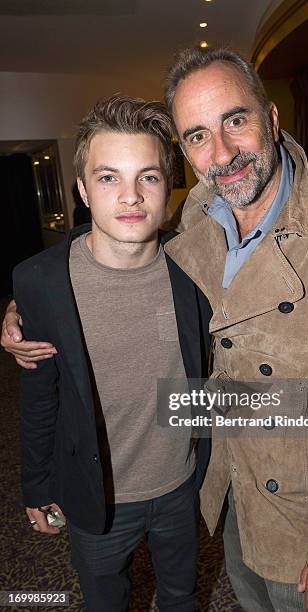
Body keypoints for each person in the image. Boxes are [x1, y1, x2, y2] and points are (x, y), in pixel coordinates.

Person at [2, 48, 308, 612]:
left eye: (235, 120)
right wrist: (22, 310)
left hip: (306, 517)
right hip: (226, 492)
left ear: (272, 118)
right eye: (196, 135)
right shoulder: (198, 223)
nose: (221, 152)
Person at [4, 94, 211, 612]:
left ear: (168, 187)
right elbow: (39, 399)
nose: (131, 197)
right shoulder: (40, 282)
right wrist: (36, 486)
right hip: (95, 497)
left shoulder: (196, 270)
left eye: (148, 176)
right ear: (82, 190)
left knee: (181, 596)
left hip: (181, 485)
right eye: (108, 177)